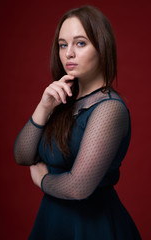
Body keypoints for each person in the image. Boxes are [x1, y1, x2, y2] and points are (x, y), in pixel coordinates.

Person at [14, 5, 141, 240]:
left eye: (80, 43)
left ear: (102, 47)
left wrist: (41, 179)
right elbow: (23, 156)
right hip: (52, 220)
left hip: (91, 227)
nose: (68, 53)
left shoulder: (109, 109)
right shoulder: (62, 99)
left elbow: (78, 188)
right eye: (63, 45)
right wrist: (43, 107)